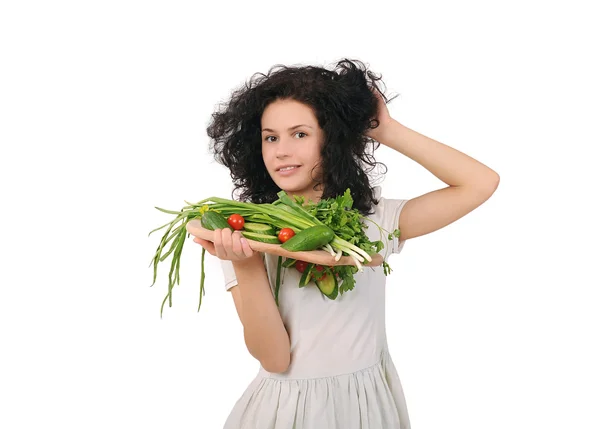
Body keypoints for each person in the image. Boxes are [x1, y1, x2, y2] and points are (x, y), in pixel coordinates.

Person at [192, 58, 499, 429]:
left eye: (300, 134)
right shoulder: (250, 233)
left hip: (367, 406)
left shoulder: (377, 221)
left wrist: (386, 130)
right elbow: (274, 359)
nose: (281, 150)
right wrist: (245, 264)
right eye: (270, 137)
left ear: (332, 139)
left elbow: (480, 183)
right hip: (288, 412)